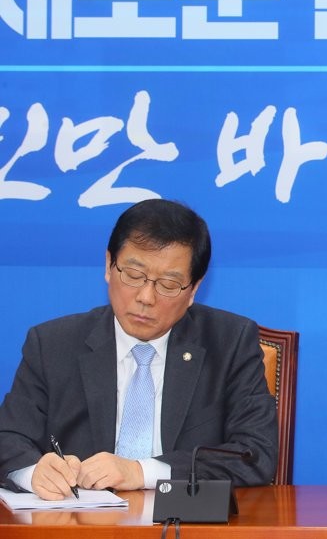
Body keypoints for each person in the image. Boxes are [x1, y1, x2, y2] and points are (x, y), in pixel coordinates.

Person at [0, 199, 277, 500]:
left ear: (193, 290)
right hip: (79, 520)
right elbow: (8, 438)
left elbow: (255, 454)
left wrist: (140, 472)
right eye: (133, 275)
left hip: (187, 520)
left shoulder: (230, 342)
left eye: (168, 284)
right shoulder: (52, 344)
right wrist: (32, 472)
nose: (146, 297)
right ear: (109, 265)